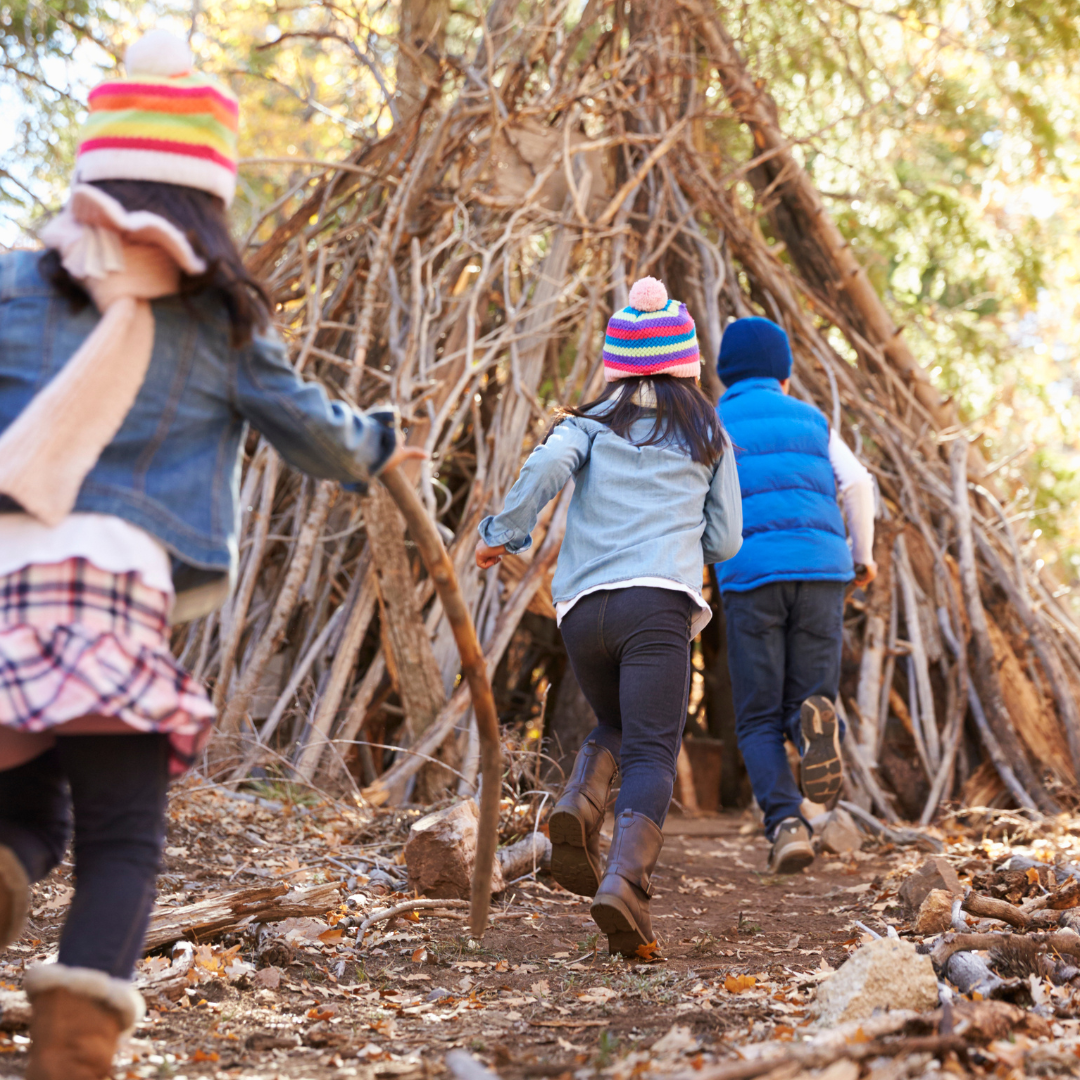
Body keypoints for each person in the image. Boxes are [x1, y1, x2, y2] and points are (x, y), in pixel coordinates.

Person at [0, 30, 423, 1079]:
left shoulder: (14, 287)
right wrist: (378, 439)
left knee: (19, 812)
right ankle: (72, 1052)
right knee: (120, 841)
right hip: (113, 599)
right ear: (206, 202)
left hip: (5, 586)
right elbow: (315, 434)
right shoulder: (219, 325)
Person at [475, 277, 742, 956]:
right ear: (685, 363)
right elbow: (727, 541)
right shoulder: (708, 430)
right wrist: (688, 543)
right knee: (654, 745)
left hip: (581, 610)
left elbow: (544, 470)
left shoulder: (588, 423)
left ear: (617, 364)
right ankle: (625, 883)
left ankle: (579, 806)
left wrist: (500, 535)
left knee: (619, 724)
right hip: (657, 604)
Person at [715, 317, 876, 875]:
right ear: (784, 372)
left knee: (757, 716)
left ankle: (786, 824)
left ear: (724, 372)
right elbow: (856, 483)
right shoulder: (812, 419)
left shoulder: (715, 422)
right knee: (808, 698)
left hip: (752, 574)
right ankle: (813, 726)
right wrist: (862, 555)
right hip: (823, 571)